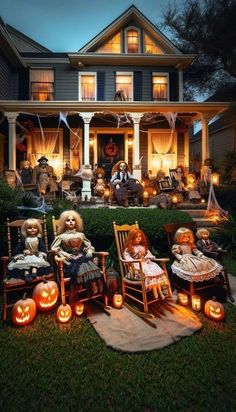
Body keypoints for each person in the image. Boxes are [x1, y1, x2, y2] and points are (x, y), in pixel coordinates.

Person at [51, 210, 103, 294]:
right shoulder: (61, 236)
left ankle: (94, 283)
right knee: (83, 266)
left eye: (73, 220)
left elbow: (87, 245)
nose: (71, 222)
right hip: (70, 260)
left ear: (77, 221)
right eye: (68, 220)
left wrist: (89, 250)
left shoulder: (81, 235)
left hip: (81, 256)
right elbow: (54, 248)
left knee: (89, 264)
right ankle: (92, 284)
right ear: (64, 222)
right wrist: (64, 253)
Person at [123, 228, 172, 300]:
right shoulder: (129, 249)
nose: (139, 238)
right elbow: (127, 257)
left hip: (145, 263)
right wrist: (133, 262)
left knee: (155, 268)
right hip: (136, 267)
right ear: (131, 238)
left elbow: (148, 255)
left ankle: (159, 291)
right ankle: (156, 292)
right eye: (136, 237)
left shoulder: (143, 247)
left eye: (140, 236)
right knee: (147, 272)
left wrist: (148, 258)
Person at [7, 218, 51, 282]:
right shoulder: (24, 240)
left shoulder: (39, 239)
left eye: (35, 228)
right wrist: (22, 252)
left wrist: (39, 253)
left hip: (36, 256)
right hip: (26, 256)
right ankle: (26, 275)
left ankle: (34, 273)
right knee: (24, 265)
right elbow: (18, 248)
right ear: (26, 230)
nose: (32, 229)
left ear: (38, 229)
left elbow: (42, 248)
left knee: (36, 263)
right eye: (30, 228)